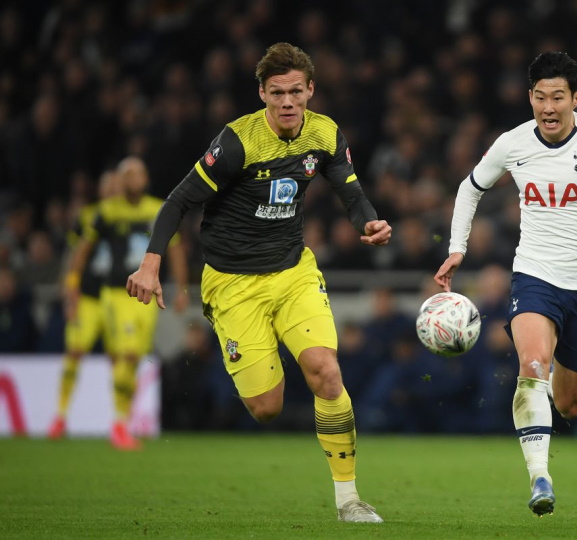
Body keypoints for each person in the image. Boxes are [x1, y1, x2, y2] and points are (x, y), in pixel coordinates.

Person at [126, 43, 391, 523]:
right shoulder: (237, 142)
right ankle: (255, 348)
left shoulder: (325, 133)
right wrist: (150, 264)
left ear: (310, 90)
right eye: (277, 93)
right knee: (266, 407)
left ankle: (349, 499)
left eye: (296, 92)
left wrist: (368, 221)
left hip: (293, 273)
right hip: (232, 284)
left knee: (326, 372)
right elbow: (177, 201)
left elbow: (350, 190)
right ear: (262, 94)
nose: (287, 102)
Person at [434, 51, 577, 516]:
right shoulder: (513, 143)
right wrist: (458, 247)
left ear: (576, 98)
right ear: (530, 97)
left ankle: (544, 393)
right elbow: (470, 188)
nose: (549, 107)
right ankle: (540, 476)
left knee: (571, 405)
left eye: (558, 97)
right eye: (540, 97)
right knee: (532, 364)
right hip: (534, 274)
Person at [65, 157, 190, 450]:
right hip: (116, 293)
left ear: (146, 179)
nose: (135, 178)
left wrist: (181, 289)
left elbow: (175, 249)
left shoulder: (158, 209)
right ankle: (119, 424)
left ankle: (122, 422)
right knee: (128, 352)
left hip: (146, 295)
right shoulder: (107, 212)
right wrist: (72, 285)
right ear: (121, 181)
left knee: (134, 358)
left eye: (139, 173)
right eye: (129, 174)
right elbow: (83, 250)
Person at [48, 170, 122, 440]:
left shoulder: (130, 216)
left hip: (119, 299)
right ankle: (60, 416)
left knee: (119, 359)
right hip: (89, 298)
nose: (112, 191)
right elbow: (73, 255)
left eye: (116, 186)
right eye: (108, 186)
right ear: (100, 190)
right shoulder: (87, 216)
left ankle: (120, 423)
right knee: (75, 352)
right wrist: (69, 292)